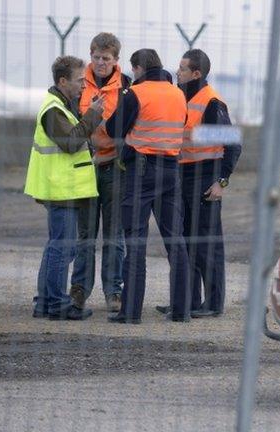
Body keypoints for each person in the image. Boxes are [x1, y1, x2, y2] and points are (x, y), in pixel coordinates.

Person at [105, 48, 191, 324]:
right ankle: (181, 310)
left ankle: (130, 312)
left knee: (136, 243)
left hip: (141, 172)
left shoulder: (136, 93)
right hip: (171, 170)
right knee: (176, 242)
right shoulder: (178, 93)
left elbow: (113, 130)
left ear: (138, 69)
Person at [155, 49, 240, 318]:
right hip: (182, 177)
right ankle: (187, 301)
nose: (177, 72)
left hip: (205, 179)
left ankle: (213, 304)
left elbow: (233, 145)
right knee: (186, 242)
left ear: (196, 73)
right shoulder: (180, 97)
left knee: (207, 245)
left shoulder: (211, 102)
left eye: (182, 69)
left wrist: (221, 182)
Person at [24, 55, 105, 320]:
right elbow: (70, 143)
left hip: (63, 188)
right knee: (63, 247)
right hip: (61, 189)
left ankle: (45, 302)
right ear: (62, 81)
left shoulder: (62, 106)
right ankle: (57, 304)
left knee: (57, 246)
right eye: (80, 80)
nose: (84, 85)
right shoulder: (53, 110)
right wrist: (92, 116)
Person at [69, 32, 131, 313]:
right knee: (85, 234)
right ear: (90, 55)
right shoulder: (80, 84)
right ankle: (79, 290)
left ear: (116, 59)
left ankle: (113, 292)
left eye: (106, 58)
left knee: (114, 235)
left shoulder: (127, 87)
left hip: (114, 167)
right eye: (96, 57)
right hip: (86, 167)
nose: (101, 62)